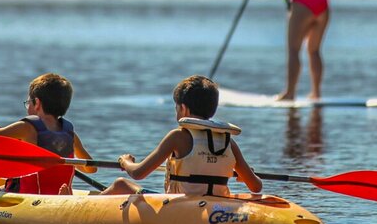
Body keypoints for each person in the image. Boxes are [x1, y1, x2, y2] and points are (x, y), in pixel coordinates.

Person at [100, 75, 263, 196]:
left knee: (120, 184)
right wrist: (244, 176)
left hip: (180, 207)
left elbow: (138, 173)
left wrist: (125, 162)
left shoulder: (178, 137)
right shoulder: (229, 143)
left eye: (176, 108)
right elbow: (256, 187)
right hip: (216, 205)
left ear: (183, 108)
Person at [0, 73, 95, 193]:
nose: (27, 107)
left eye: (28, 103)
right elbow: (91, 168)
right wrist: (61, 163)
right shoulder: (69, 134)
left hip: (25, 200)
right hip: (56, 197)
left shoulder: (27, 128)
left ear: (37, 103)